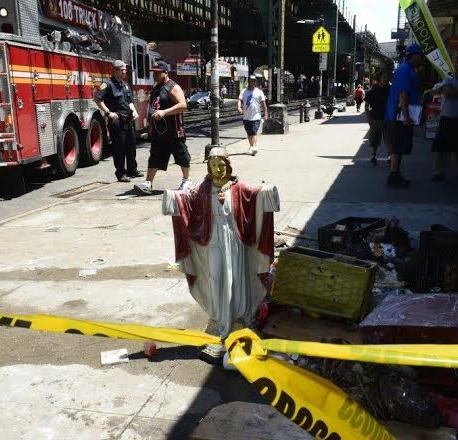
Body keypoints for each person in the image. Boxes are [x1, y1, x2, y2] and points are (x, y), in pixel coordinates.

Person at [162, 147, 280, 355]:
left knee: (237, 278)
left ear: (228, 166)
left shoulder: (238, 187)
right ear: (208, 167)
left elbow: (255, 195)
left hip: (235, 242)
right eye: (213, 165)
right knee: (216, 277)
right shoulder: (203, 189)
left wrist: (268, 193)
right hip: (213, 242)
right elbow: (187, 199)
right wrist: (173, 198)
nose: (218, 169)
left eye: (221, 165)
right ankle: (219, 319)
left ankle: (240, 318)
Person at [134, 61, 193, 195]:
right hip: (159, 131)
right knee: (155, 156)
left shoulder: (173, 87)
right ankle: (148, 183)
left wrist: (165, 112)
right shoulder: (156, 88)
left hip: (174, 130)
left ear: (165, 72)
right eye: (153, 73)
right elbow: (153, 107)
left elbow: (183, 105)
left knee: (181, 154)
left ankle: (187, 180)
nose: (154, 75)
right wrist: (150, 126)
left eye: (157, 73)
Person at [94, 60, 142, 182]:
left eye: (125, 70)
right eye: (122, 70)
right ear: (115, 71)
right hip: (117, 121)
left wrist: (134, 111)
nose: (124, 72)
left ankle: (132, 170)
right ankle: (121, 173)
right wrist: (108, 113)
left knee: (131, 147)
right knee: (119, 148)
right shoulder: (107, 84)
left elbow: (129, 101)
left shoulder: (124, 85)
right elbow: (97, 99)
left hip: (128, 119)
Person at [385, 44, 424, 188]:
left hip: (400, 115)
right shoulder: (405, 70)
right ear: (413, 55)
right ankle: (393, 176)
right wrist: (407, 117)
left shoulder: (407, 69)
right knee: (398, 146)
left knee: (400, 147)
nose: (421, 58)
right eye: (420, 55)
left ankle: (396, 174)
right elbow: (403, 94)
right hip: (400, 116)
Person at [430, 63, 458, 182]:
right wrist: (445, 88)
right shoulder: (448, 80)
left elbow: (449, 92)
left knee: (456, 149)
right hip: (446, 118)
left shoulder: (448, 82)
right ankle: (438, 172)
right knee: (441, 148)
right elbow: (445, 93)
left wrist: (447, 89)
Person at [364, 72, 391, 166]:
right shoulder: (373, 90)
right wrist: (368, 119)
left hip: (388, 118)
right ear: (379, 79)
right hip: (375, 118)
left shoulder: (390, 89)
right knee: (374, 139)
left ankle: (390, 157)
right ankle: (373, 156)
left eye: (387, 77)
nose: (385, 79)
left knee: (388, 139)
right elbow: (366, 105)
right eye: (384, 77)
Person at [238, 75, 269, 155]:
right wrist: (239, 107)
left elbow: (263, 104)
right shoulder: (244, 91)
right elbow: (239, 100)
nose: (252, 82)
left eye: (254, 81)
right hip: (246, 116)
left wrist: (265, 113)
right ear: (248, 82)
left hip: (256, 116)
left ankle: (254, 146)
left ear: (255, 82)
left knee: (254, 131)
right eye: (251, 81)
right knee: (249, 133)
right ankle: (251, 146)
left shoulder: (259, 92)